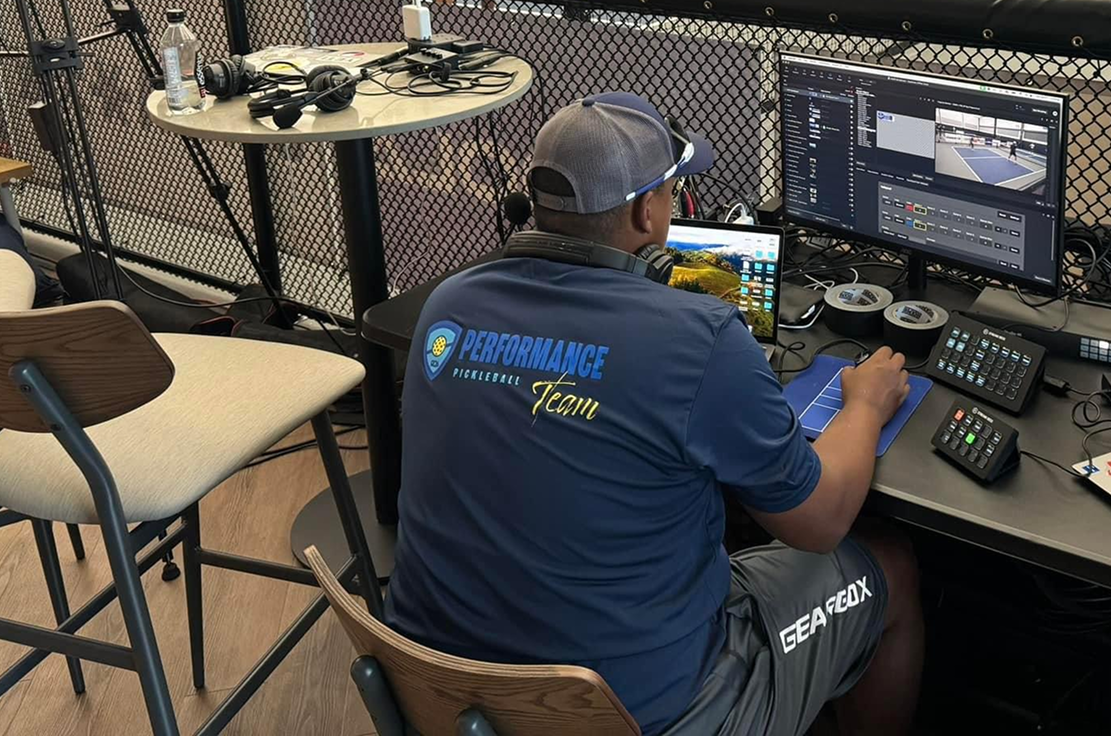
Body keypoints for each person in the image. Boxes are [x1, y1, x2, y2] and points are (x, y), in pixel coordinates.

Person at [386, 92, 923, 736]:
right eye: (671, 192)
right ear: (646, 212)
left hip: (443, 696)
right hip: (642, 715)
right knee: (892, 566)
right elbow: (821, 523)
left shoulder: (448, 305)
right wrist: (863, 404)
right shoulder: (698, 338)